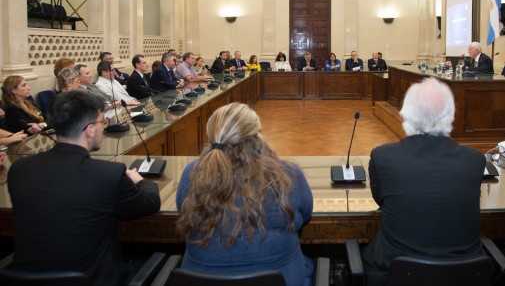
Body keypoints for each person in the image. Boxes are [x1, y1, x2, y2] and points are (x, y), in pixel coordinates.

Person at [7, 90, 160, 286]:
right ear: (90, 130)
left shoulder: (19, 170)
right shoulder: (108, 174)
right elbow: (150, 203)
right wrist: (140, 180)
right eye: (103, 122)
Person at [362, 78, 486, 286]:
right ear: (451, 115)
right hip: (464, 277)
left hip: (395, 275)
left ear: (405, 114)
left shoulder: (383, 157)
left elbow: (381, 200)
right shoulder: (475, 160)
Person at [176, 103, 313, 285]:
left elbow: (182, 210)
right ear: (257, 136)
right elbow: (305, 215)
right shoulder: (289, 174)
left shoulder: (191, 174)